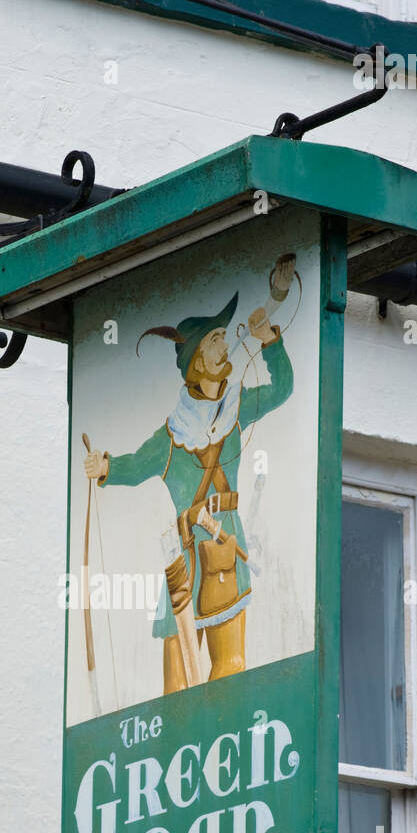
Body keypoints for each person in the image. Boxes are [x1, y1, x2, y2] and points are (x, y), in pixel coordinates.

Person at [84, 260, 295, 694]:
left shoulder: (236, 410)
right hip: (184, 558)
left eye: (224, 338)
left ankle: (222, 751)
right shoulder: (172, 434)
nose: (225, 346)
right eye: (216, 340)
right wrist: (104, 467)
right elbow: (135, 464)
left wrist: (269, 341)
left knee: (231, 667)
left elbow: (283, 388)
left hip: (224, 547)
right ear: (197, 361)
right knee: (177, 688)